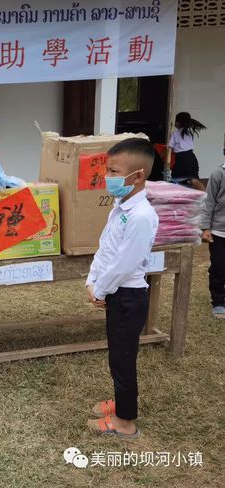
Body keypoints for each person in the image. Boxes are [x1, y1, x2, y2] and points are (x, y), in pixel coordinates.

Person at [85, 138, 159, 439]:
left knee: (123, 359)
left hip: (128, 296)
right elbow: (106, 248)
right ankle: (121, 404)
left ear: (137, 176)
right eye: (108, 170)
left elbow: (125, 263)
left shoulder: (141, 216)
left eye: (114, 172)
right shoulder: (121, 207)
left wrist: (101, 290)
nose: (108, 177)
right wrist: (92, 281)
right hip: (116, 291)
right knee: (117, 355)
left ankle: (125, 422)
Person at [200, 141, 225, 319]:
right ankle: (218, 302)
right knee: (218, 267)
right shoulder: (218, 173)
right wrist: (206, 227)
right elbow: (209, 203)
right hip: (219, 230)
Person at [168, 112, 207, 191]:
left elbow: (169, 148)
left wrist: (168, 163)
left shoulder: (175, 134)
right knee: (194, 180)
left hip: (181, 160)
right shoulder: (189, 133)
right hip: (192, 158)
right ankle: (205, 195)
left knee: (175, 181)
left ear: (178, 123)